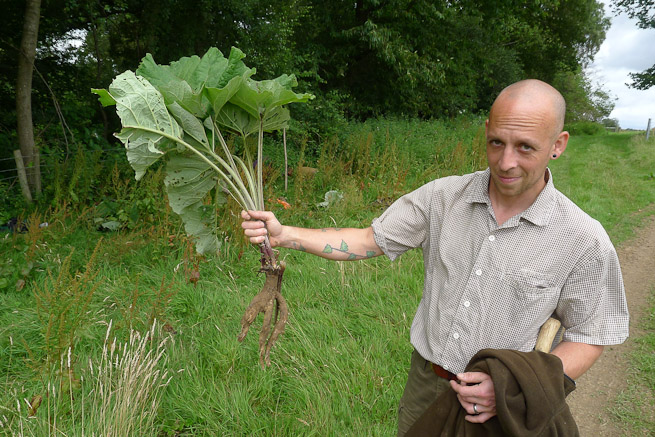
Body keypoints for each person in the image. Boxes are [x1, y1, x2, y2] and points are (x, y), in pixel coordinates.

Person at [241, 79, 629, 435]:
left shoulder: (582, 239)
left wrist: (514, 386)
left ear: (558, 144)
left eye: (525, 147)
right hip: (426, 385)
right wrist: (285, 234)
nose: (506, 162)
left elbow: (590, 335)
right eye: (496, 142)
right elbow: (367, 239)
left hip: (505, 405)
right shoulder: (443, 199)